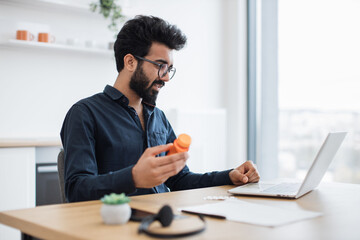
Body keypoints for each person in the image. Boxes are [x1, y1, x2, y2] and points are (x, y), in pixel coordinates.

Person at [60, 15, 260, 202]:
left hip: (162, 220)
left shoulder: (158, 117)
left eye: (169, 69)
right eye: (160, 65)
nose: (165, 77)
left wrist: (228, 176)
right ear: (130, 62)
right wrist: (133, 178)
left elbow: (179, 179)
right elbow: (77, 189)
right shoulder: (85, 114)